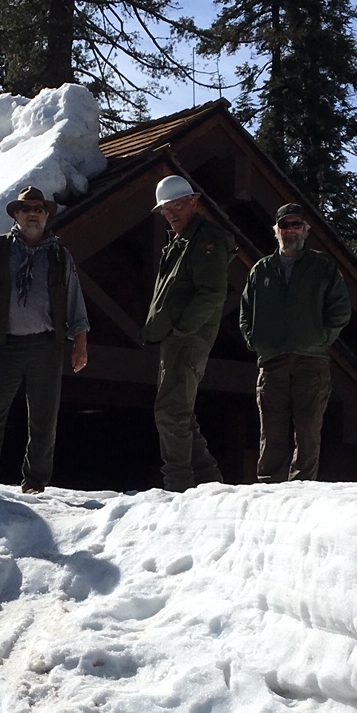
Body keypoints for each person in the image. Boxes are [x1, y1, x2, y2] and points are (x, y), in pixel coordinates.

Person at [0, 186, 90, 494]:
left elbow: (75, 300)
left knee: (44, 415)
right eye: (27, 208)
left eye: (39, 209)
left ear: (46, 215)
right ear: (16, 214)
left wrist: (81, 342)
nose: (33, 213)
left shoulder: (59, 254)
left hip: (47, 343)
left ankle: (35, 481)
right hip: (6, 343)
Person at [237, 203, 351, 483]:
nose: (290, 230)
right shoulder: (261, 270)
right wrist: (256, 342)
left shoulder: (322, 266)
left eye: (296, 224)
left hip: (311, 361)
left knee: (309, 429)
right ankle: (269, 488)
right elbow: (244, 313)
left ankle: (302, 487)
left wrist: (321, 338)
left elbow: (341, 309)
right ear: (276, 230)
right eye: (285, 225)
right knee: (271, 430)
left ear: (306, 230)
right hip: (272, 362)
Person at [144, 174, 236, 491]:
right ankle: (208, 480)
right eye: (166, 209)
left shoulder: (207, 239)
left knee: (170, 411)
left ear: (193, 203)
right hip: (177, 337)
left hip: (188, 337)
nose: (171, 213)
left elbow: (211, 294)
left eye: (177, 206)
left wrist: (182, 329)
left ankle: (178, 484)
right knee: (179, 411)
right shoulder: (181, 241)